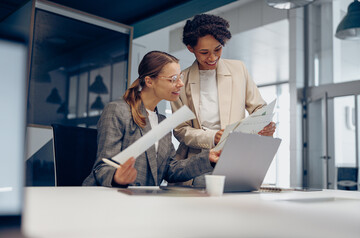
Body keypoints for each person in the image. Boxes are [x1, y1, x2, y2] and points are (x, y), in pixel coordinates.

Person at [83, 51, 221, 187]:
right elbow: (102, 167)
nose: (180, 84)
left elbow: (171, 170)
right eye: (173, 79)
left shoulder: (161, 121)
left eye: (180, 77)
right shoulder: (117, 110)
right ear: (149, 81)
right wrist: (117, 177)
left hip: (141, 202)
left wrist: (207, 158)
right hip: (107, 200)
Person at [171, 14, 276, 185]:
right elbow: (180, 130)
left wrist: (265, 125)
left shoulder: (238, 69)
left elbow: (259, 108)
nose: (212, 58)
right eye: (204, 52)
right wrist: (213, 137)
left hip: (236, 158)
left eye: (218, 49)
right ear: (191, 48)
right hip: (198, 162)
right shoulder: (181, 81)